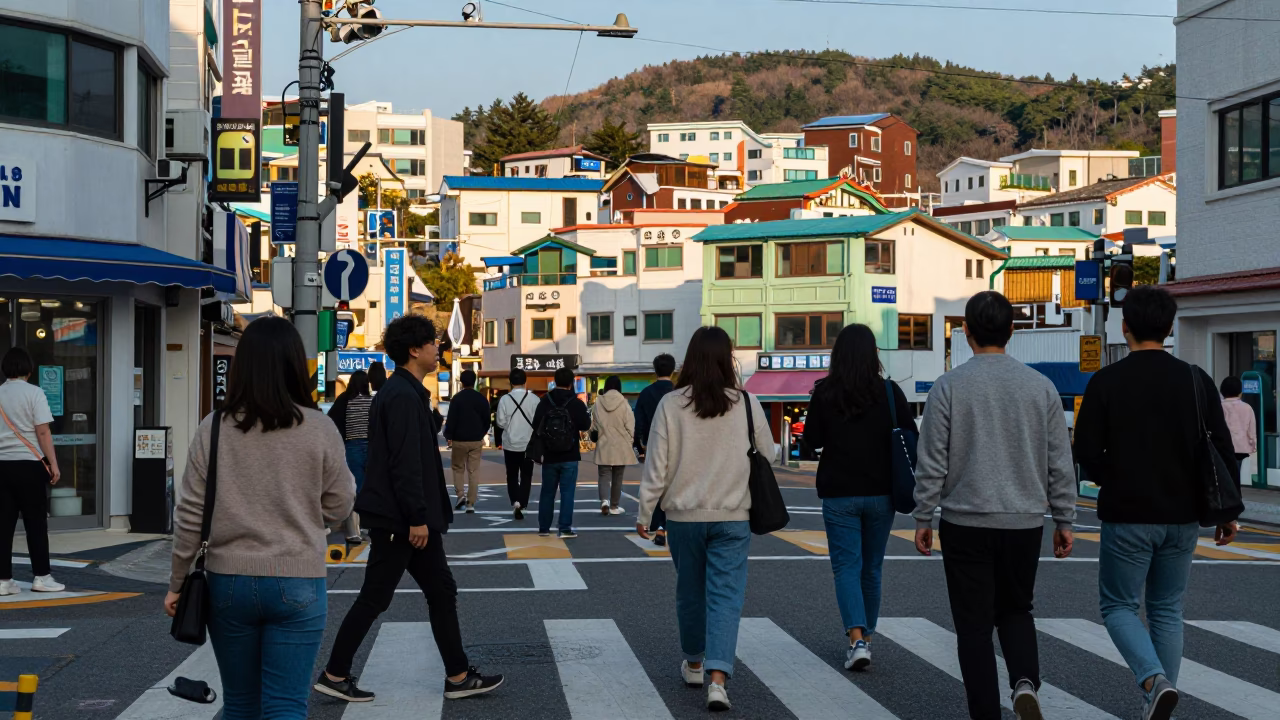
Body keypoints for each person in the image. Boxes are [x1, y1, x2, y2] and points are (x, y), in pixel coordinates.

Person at [165, 317, 356, 719]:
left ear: (242, 365)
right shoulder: (319, 427)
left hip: (227, 580)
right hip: (298, 577)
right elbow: (340, 506)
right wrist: (304, 508)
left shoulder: (213, 427)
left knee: (241, 704)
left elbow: (190, 513)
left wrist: (178, 580)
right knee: (285, 705)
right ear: (294, 365)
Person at [317, 314, 503, 704]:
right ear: (414, 350)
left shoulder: (405, 392)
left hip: (403, 519)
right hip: (402, 521)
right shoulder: (401, 396)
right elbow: (405, 463)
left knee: (440, 590)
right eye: (433, 344)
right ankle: (335, 673)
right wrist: (417, 517)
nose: (439, 349)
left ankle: (457, 675)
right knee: (376, 597)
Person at [1074, 286, 1239, 720]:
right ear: (1169, 328)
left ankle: (1153, 681)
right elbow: (1221, 448)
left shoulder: (1106, 381)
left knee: (1118, 606)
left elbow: (1086, 453)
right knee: (1167, 609)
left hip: (1127, 512)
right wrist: (1227, 513)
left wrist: (1116, 476)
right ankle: (1157, 698)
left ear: (1124, 326)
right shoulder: (1195, 378)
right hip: (1184, 515)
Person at [912, 291, 1076, 720]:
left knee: (974, 626)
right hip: (1023, 521)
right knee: (1017, 609)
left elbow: (932, 460)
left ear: (965, 331)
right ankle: (1025, 682)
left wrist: (924, 515)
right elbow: (1059, 461)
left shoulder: (949, 386)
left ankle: (986, 713)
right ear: (1012, 331)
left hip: (965, 522)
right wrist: (1064, 518)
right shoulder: (1040, 387)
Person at [636, 326, 775, 713]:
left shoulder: (671, 404)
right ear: (727, 358)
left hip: (683, 517)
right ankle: (718, 680)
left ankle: (694, 663)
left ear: (690, 358)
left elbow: (657, 465)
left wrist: (645, 511)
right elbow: (769, 453)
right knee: (726, 597)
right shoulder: (746, 402)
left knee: (690, 591)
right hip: (734, 515)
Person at [804, 324, 913, 671]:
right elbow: (910, 437)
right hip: (882, 493)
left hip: (839, 493)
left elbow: (810, 442)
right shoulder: (890, 392)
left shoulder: (825, 392)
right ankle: (866, 634)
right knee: (872, 568)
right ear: (873, 355)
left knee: (846, 567)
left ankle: (857, 640)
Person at [0, 347, 63, 596]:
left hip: (2, 465)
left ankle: (3, 581)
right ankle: (42, 577)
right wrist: (53, 464)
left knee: (2, 525)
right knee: (35, 523)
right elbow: (43, 432)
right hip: (30, 464)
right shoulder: (35, 393)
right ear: (29, 369)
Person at [531, 366, 590, 538]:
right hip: (570, 454)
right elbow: (585, 425)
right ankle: (564, 528)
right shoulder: (576, 403)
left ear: (555, 382)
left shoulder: (545, 401)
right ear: (571, 383)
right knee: (567, 492)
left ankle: (544, 528)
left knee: (547, 491)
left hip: (549, 454)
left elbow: (536, 425)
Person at [634, 353, 677, 545]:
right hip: (679, 446)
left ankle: (658, 525)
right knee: (675, 485)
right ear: (673, 371)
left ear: (655, 370)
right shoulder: (679, 393)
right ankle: (669, 525)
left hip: (654, 443)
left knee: (656, 483)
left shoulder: (645, 393)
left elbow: (639, 421)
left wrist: (639, 445)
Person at [328, 370, 373, 544]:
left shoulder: (345, 400)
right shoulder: (372, 402)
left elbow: (332, 421)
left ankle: (353, 530)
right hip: (370, 447)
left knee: (354, 488)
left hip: (351, 446)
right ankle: (365, 525)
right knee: (368, 487)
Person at [443, 370, 491, 513]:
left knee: (458, 468)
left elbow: (451, 420)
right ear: (474, 381)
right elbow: (487, 420)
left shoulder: (457, 399)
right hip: (476, 440)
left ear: (462, 382)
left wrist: (449, 436)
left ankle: (460, 496)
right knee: (473, 471)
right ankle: (471, 503)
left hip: (459, 440)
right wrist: (481, 433)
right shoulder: (482, 399)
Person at [591, 375, 637, 516]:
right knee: (618, 475)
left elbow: (593, 425)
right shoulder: (624, 403)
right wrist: (629, 440)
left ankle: (604, 501)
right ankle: (614, 506)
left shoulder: (598, 403)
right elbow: (630, 424)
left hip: (604, 443)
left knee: (604, 474)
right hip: (621, 444)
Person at [495, 370, 537, 519]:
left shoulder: (505, 399)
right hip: (528, 444)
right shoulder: (534, 399)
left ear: (510, 382)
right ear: (525, 381)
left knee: (512, 475)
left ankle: (515, 502)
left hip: (510, 443)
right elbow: (538, 421)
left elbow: (500, 422)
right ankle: (523, 503)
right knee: (526, 475)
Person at [1220, 375, 1258, 483]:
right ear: (1240, 392)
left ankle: (1226, 496)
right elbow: (1251, 431)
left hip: (1222, 447)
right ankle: (1236, 496)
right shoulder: (1247, 408)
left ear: (1222, 391)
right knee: (1236, 474)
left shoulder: (1219, 407)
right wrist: (1253, 446)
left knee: (1223, 475)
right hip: (1240, 448)